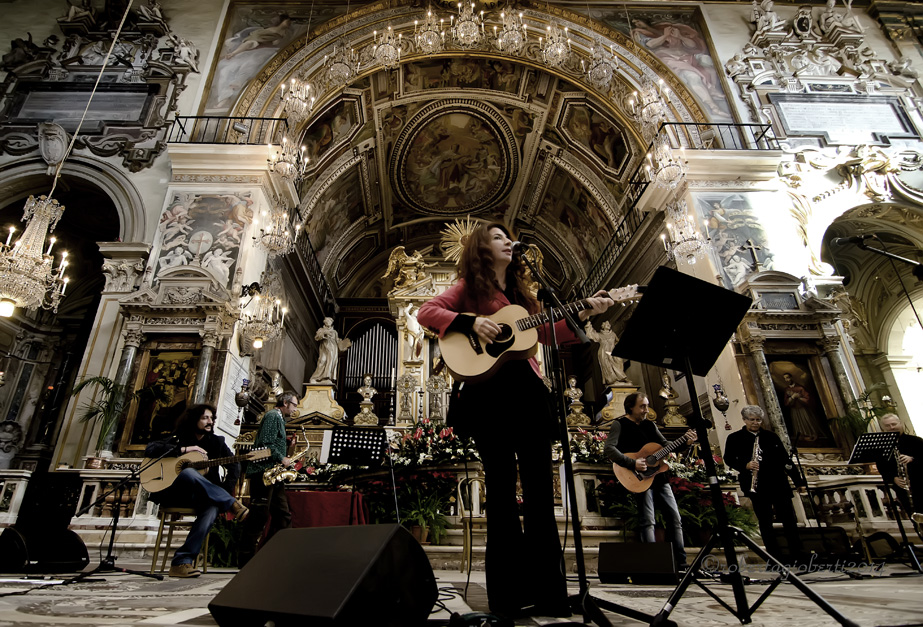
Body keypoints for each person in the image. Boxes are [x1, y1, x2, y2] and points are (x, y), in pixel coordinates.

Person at [417, 222, 614, 619]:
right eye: (498, 237)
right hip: (489, 397)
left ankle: (549, 595)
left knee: (541, 495)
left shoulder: (523, 297)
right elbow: (427, 311)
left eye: (509, 237)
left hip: (528, 394)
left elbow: (546, 333)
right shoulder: (467, 288)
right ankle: (507, 598)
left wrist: (584, 312)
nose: (508, 241)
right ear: (480, 248)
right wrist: (470, 322)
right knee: (502, 497)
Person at [144, 404, 248, 578]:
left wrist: (225, 489)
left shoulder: (217, 442)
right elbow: (150, 449)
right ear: (194, 420)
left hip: (204, 497)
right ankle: (231, 503)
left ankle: (181, 562)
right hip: (177, 495)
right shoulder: (178, 438)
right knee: (188, 472)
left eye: (212, 418)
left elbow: (234, 465)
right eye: (205, 418)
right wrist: (185, 450)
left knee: (212, 509)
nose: (210, 422)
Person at [604, 392, 697, 568]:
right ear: (630, 407)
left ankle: (681, 562)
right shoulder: (620, 424)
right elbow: (609, 449)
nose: (646, 410)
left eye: (647, 405)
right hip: (638, 477)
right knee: (648, 520)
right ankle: (653, 563)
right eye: (642, 406)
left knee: (675, 517)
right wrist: (632, 463)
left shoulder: (650, 425)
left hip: (659, 476)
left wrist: (686, 442)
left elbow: (665, 445)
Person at [724, 405, 803, 558]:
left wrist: (798, 482)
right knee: (765, 521)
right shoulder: (734, 438)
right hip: (757, 485)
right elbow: (729, 459)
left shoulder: (771, 436)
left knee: (789, 520)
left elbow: (784, 459)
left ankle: (797, 554)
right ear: (745, 420)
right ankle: (774, 557)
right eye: (752, 420)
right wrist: (745, 465)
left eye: (758, 420)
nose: (755, 423)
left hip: (778, 482)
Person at [239, 392, 298, 565]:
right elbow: (266, 443)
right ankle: (245, 558)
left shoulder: (279, 418)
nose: (295, 409)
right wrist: (283, 458)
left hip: (273, 474)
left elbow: (272, 441)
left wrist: (287, 445)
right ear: (286, 403)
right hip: (263, 472)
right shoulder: (273, 415)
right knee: (259, 515)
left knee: (283, 515)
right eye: (294, 405)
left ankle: (284, 557)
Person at [876, 414, 923, 524]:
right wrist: (894, 478)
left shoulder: (916, 441)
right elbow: (882, 468)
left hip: (920, 483)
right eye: (888, 426)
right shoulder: (882, 447)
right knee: (915, 518)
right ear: (883, 428)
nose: (892, 427)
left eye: (894, 424)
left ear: (900, 423)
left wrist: (912, 459)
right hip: (903, 488)